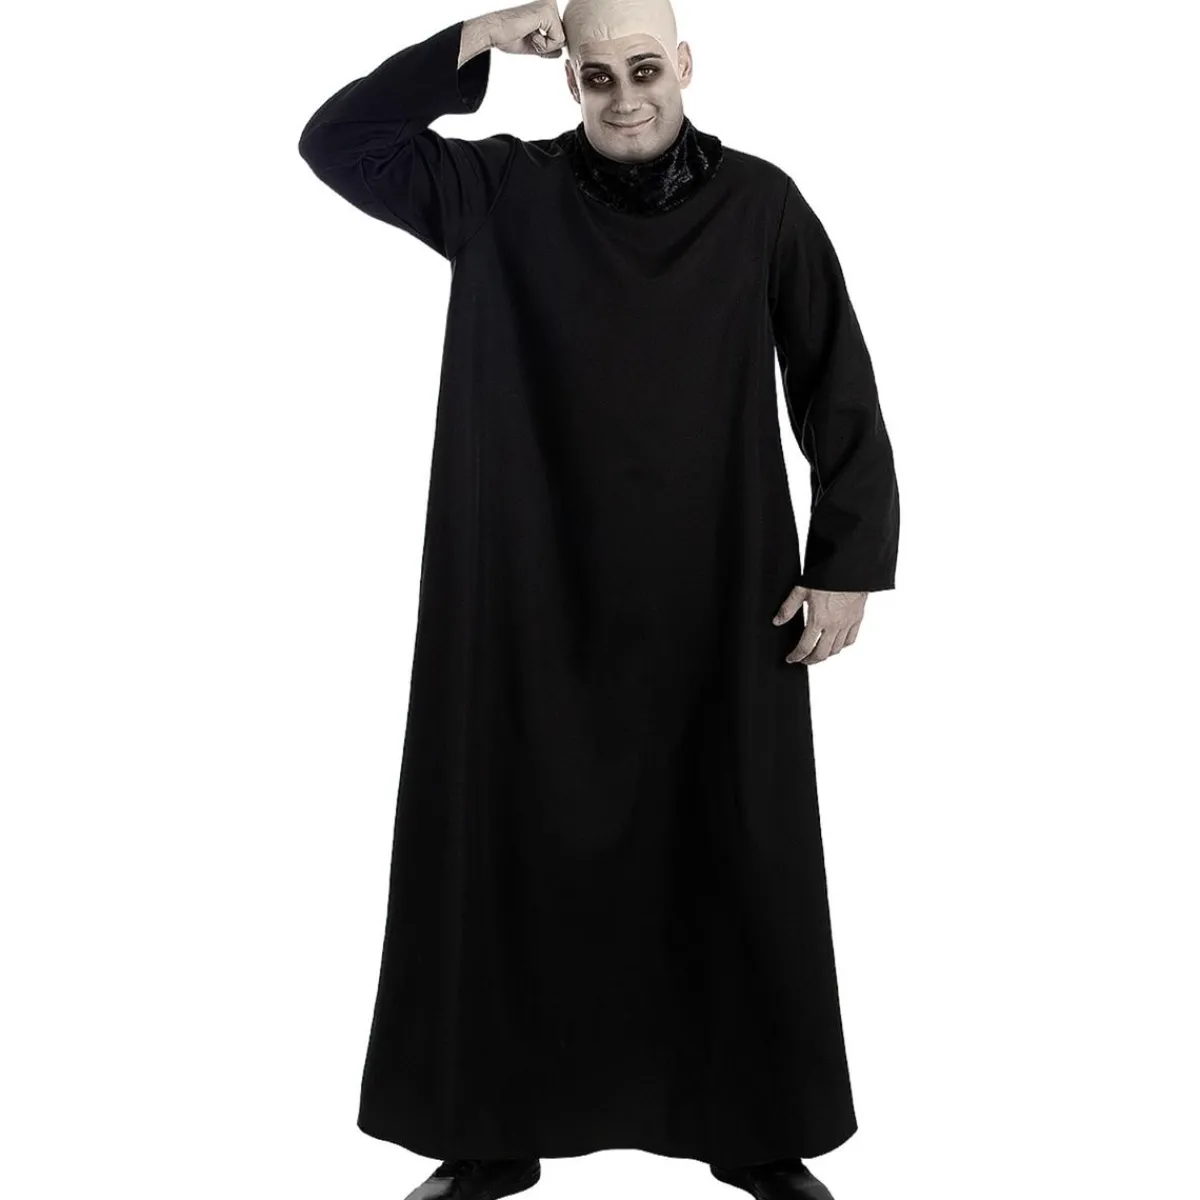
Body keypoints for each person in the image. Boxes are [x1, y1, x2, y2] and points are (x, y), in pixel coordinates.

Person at [297, 1, 900, 1196]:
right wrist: (476, 36)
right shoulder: (499, 193)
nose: (626, 98)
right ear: (566, 80)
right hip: (523, 593)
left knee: (735, 847)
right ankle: (486, 1136)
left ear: (686, 67)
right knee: (503, 847)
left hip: (718, 588)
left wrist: (845, 560)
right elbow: (340, 142)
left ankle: (756, 1132)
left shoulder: (762, 205)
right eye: (597, 76)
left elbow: (835, 377)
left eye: (644, 69)